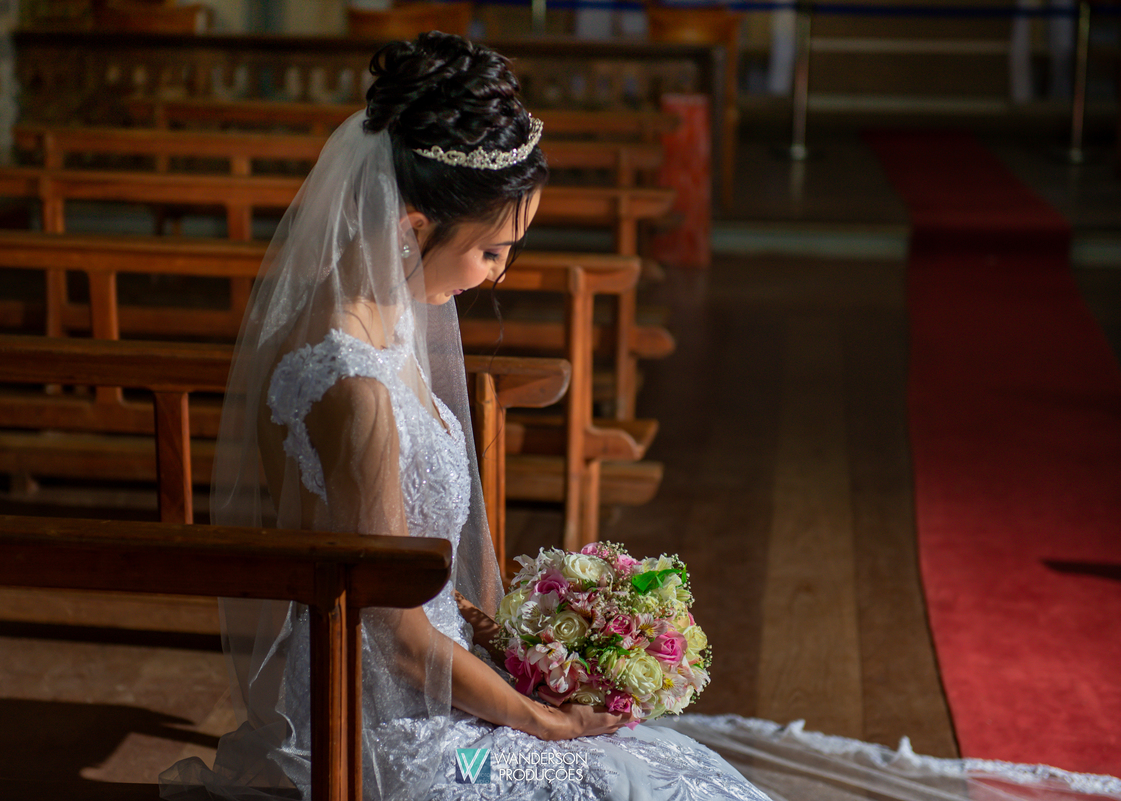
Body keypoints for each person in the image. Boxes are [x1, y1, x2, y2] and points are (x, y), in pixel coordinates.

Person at [161, 32, 1121, 801]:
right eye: (493, 251)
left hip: (426, 676)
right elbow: (396, 634)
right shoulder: (355, 387)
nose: (499, 274)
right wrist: (538, 717)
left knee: (667, 771)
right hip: (387, 724)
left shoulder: (363, 317)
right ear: (414, 225)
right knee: (637, 779)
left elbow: (410, 593)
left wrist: (529, 645)